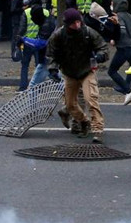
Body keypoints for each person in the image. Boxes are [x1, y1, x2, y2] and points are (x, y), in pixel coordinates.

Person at [47, 8, 109, 143]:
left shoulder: (88, 32)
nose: (77, 25)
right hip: (69, 73)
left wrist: (100, 56)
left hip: (87, 71)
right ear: (67, 24)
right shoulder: (58, 36)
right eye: (73, 23)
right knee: (69, 104)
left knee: (91, 99)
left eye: (78, 22)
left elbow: (103, 47)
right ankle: (83, 121)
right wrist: (53, 69)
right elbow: (51, 54)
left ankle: (97, 129)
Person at [108, 0, 131, 104]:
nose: (111, 6)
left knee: (112, 71)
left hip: (124, 48)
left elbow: (121, 31)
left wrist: (114, 40)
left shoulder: (118, 17)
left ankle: (128, 91)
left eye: (112, 4)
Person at [18, 0, 51, 90]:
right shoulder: (47, 16)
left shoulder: (45, 25)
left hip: (36, 47)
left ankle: (23, 87)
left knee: (26, 66)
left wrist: (22, 39)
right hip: (43, 52)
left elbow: (41, 43)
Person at [25, 4, 57, 88]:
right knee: (58, 81)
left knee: (33, 86)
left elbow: (41, 44)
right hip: (50, 58)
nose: (32, 19)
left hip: (47, 59)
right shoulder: (48, 21)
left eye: (33, 17)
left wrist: (24, 39)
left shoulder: (46, 26)